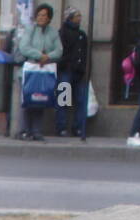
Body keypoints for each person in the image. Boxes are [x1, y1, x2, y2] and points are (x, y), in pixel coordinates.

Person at [17, 3, 62, 141]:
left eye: (44, 15)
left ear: (49, 18)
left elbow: (59, 50)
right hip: (31, 69)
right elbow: (24, 47)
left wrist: (48, 57)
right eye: (39, 15)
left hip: (44, 71)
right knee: (28, 100)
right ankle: (24, 130)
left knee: (41, 99)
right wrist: (39, 55)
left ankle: (36, 131)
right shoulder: (30, 30)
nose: (41, 18)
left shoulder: (53, 32)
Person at [56, 7, 89, 140]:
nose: (79, 18)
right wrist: (64, 64)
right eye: (77, 16)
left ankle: (78, 127)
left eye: (80, 16)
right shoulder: (62, 33)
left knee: (81, 101)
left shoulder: (82, 34)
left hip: (78, 72)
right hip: (66, 71)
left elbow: (84, 52)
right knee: (63, 100)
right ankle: (61, 127)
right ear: (70, 17)